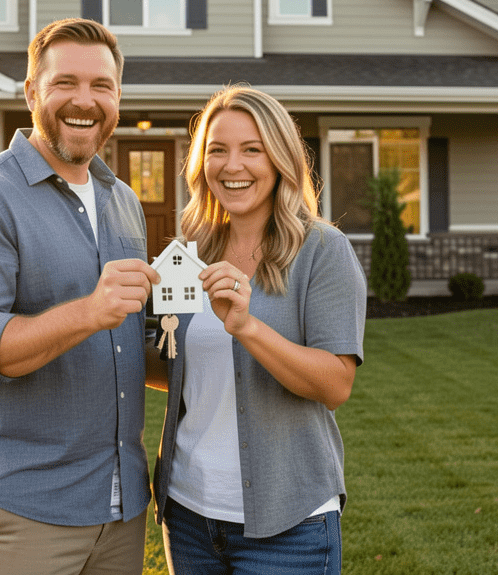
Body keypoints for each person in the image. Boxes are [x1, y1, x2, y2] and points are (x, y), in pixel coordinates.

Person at [0, 18, 159, 575]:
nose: (85, 100)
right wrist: (88, 312)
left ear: (118, 98)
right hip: (22, 511)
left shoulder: (123, 200)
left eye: (101, 86)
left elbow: (134, 347)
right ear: (31, 92)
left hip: (122, 507)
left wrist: (227, 336)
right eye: (66, 83)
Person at [149, 85, 366, 575]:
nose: (232, 166)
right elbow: (175, 367)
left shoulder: (322, 251)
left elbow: (335, 383)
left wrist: (246, 327)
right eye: (217, 150)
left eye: (253, 149)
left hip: (289, 524)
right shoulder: (189, 251)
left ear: (281, 158)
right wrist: (106, 325)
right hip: (188, 515)